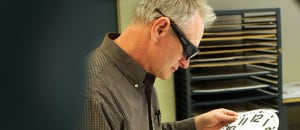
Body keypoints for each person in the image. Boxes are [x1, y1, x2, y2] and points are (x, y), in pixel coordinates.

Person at [81, 0, 238, 130]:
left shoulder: (141, 74)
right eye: (188, 50)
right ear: (160, 29)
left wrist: (197, 125)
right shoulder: (94, 96)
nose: (185, 63)